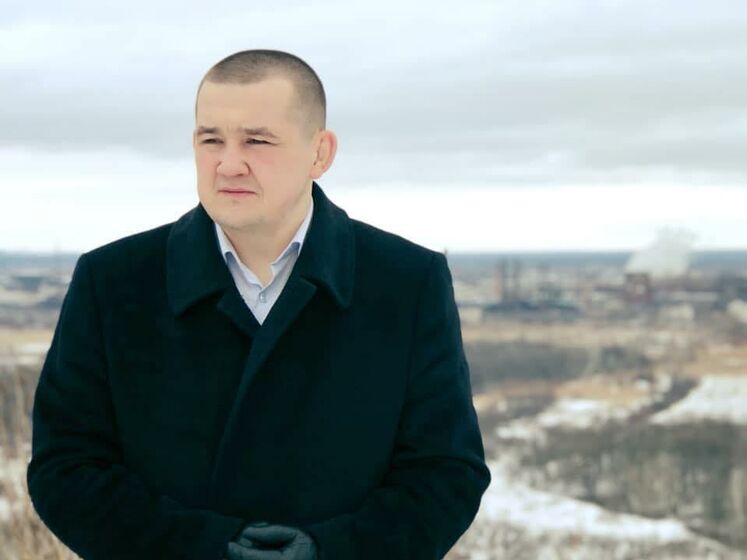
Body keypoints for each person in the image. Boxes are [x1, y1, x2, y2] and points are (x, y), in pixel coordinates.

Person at [27, 49, 491, 560]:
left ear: (320, 153)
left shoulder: (407, 281)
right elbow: (66, 468)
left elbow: (446, 471)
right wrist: (206, 549)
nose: (228, 164)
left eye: (257, 140)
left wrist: (329, 551)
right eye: (211, 140)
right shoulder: (113, 281)